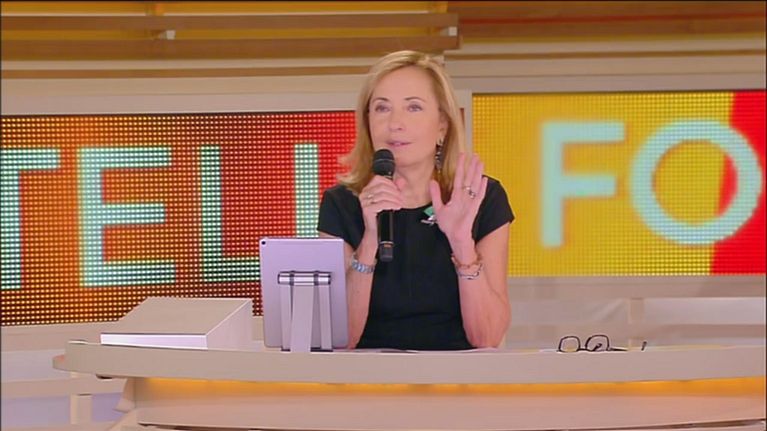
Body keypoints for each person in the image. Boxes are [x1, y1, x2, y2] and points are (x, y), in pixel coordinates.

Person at [318, 50, 514, 350]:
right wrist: (369, 241)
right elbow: (339, 340)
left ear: (442, 125)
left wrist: (462, 244)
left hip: (457, 373)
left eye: (413, 107)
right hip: (366, 374)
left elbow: (487, 338)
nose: (395, 123)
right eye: (382, 108)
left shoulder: (481, 198)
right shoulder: (341, 203)